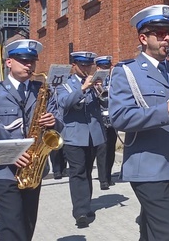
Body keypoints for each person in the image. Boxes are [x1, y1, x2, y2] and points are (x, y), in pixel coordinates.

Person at [109, 4, 169, 240]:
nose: (166, 40)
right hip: (147, 166)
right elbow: (119, 117)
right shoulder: (127, 72)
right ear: (143, 38)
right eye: (159, 34)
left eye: (168, 34)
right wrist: (167, 108)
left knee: (151, 231)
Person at [0, 39, 58, 240]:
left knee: (28, 223)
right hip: (4, 171)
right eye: (23, 60)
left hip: (34, 169)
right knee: (12, 227)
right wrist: (11, 154)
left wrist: (53, 121)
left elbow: (60, 125)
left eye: (32, 61)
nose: (29, 65)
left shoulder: (43, 90)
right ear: (8, 62)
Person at [56, 51, 108, 228]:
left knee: (86, 171)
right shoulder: (65, 84)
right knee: (77, 172)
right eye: (83, 65)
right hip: (74, 135)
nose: (86, 68)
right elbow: (64, 103)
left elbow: (106, 103)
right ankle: (80, 212)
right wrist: (83, 88)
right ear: (74, 66)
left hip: (93, 134)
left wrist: (101, 90)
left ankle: (86, 205)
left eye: (89, 65)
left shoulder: (94, 83)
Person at [93, 55, 116, 190]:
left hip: (112, 118)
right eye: (104, 67)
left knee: (111, 149)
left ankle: (108, 175)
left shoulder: (113, 80)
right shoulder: (94, 81)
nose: (106, 69)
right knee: (102, 149)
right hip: (100, 119)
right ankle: (103, 180)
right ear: (98, 68)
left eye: (108, 67)